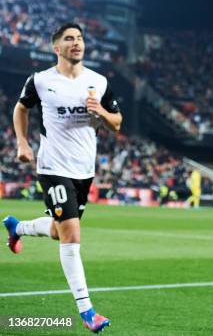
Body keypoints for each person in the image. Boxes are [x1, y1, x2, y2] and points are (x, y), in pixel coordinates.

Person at [4, 22, 122, 333]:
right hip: (53, 166)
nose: (76, 43)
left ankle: (17, 227)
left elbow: (117, 123)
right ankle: (87, 311)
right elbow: (20, 109)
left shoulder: (98, 81)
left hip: (84, 169)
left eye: (80, 38)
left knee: (58, 231)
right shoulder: (41, 81)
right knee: (71, 235)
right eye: (69, 39)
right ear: (57, 48)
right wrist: (22, 142)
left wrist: (101, 112)